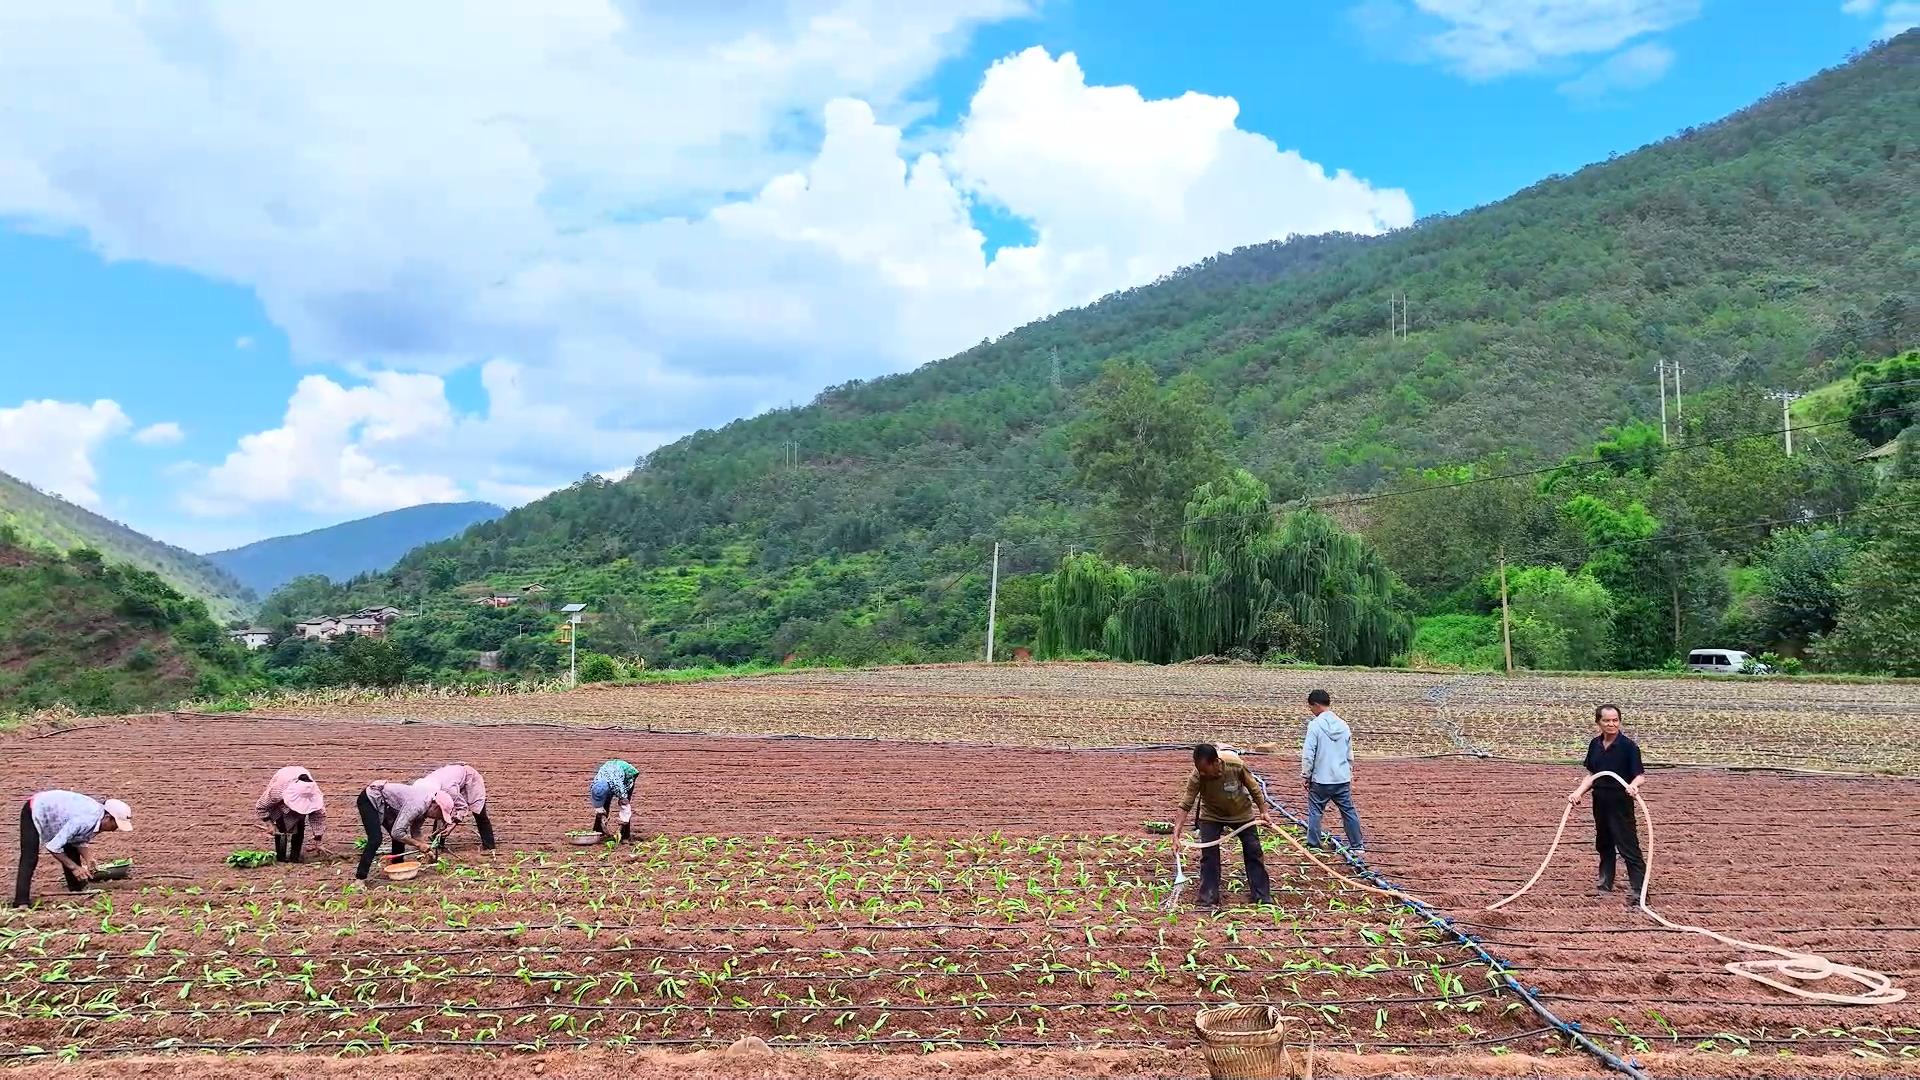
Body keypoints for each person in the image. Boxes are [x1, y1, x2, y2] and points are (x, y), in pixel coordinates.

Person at [1173, 743, 1276, 908]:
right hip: (1212, 815)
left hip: (1241, 813)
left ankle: (1262, 896)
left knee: (1253, 850)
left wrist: (1264, 811)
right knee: (1209, 856)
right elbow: (1186, 803)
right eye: (1200, 770)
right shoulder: (1198, 775)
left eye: (1206, 769)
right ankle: (1208, 897)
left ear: (1215, 761)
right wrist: (1176, 835)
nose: (1203, 773)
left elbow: (1254, 788)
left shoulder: (1235, 765)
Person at [1574, 703, 1646, 906]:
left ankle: (1639, 890)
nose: (1611, 724)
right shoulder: (1595, 745)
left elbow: (1640, 776)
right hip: (1600, 801)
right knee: (1604, 844)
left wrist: (1633, 786)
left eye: (1615, 720)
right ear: (1599, 722)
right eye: (1606, 720)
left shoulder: (1628, 747)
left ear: (1619, 721)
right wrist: (1578, 792)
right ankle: (1605, 884)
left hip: (1620, 802)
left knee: (1628, 847)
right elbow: (1591, 775)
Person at [14, 791, 132, 908]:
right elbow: (53, 847)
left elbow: (78, 838)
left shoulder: (97, 817)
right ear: (108, 817)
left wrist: (88, 858)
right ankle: (21, 901)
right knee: (30, 857)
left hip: (60, 816)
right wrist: (75, 868)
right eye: (116, 825)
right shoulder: (84, 820)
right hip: (35, 808)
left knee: (71, 847)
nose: (115, 829)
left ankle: (76, 888)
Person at [1301, 689, 1365, 856]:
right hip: (1341, 778)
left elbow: (1309, 753)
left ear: (1315, 705)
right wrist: (1348, 771)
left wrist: (1306, 775)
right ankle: (1357, 846)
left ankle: (1314, 845)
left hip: (1321, 779)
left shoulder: (1315, 725)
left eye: (1311, 707)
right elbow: (1349, 753)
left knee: (1315, 810)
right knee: (1348, 810)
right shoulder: (1343, 725)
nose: (1311, 711)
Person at [355, 781, 453, 882]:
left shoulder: (425, 807)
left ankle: (397, 870)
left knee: (400, 839)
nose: (438, 818)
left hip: (386, 805)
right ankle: (360, 878)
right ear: (436, 806)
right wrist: (418, 845)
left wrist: (426, 848)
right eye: (440, 814)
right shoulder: (418, 805)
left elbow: (415, 831)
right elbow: (397, 832)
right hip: (371, 799)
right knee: (375, 839)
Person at [415, 763, 496, 851]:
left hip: (469, 777)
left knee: (479, 811)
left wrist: (453, 825)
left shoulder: (448, 790)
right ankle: (437, 843)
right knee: (440, 811)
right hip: (452, 777)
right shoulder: (425, 785)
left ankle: (489, 845)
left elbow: (462, 807)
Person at [255, 766, 326, 864]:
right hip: (283, 777)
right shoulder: (277, 792)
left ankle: (295, 858)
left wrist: (318, 840)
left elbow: (318, 817)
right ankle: (281, 857)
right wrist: (270, 824)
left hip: (299, 777)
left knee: (300, 825)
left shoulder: (313, 794)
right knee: (280, 826)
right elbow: (261, 806)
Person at [589, 759, 640, 842]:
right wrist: (601, 813)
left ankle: (625, 835)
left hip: (627, 772)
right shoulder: (595, 784)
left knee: (624, 804)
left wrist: (624, 819)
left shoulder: (619, 788)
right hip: (609, 771)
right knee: (605, 804)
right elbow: (597, 800)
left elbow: (625, 805)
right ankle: (599, 832)